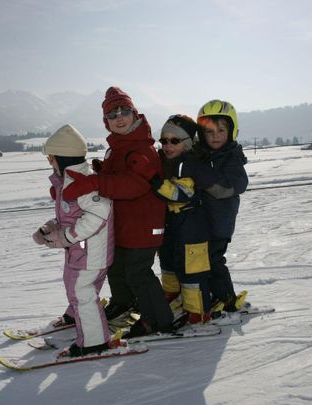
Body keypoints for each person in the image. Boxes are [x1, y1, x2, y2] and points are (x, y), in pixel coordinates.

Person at [62, 86, 173, 338]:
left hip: (144, 226)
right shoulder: (119, 147)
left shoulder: (142, 149)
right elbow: (118, 176)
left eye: (124, 111)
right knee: (116, 267)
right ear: (106, 122)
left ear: (135, 115)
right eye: (113, 115)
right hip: (124, 226)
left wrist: (97, 182)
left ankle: (157, 319)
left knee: (138, 272)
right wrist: (102, 171)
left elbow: (135, 184)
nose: (119, 117)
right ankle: (124, 303)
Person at [32, 123, 114, 356]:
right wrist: (51, 228)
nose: (50, 163)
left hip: (90, 254)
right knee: (77, 289)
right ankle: (76, 317)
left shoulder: (82, 182)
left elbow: (99, 213)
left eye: (51, 159)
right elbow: (72, 215)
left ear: (63, 158)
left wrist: (66, 236)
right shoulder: (68, 181)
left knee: (82, 292)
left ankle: (94, 342)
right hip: (82, 252)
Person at [182, 99, 249, 311]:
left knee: (214, 260)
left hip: (220, 223)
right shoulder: (201, 155)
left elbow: (226, 188)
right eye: (209, 132)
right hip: (201, 222)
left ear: (232, 130)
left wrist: (197, 172)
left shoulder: (232, 159)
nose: (216, 135)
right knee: (198, 262)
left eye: (221, 130)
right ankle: (208, 296)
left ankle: (227, 298)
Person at [151, 114, 213, 324]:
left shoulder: (191, 164)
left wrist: (157, 183)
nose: (168, 145)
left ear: (187, 143)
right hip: (171, 224)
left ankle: (198, 311)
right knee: (167, 260)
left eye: (174, 140)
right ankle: (171, 293)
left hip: (192, 227)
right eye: (164, 140)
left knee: (192, 272)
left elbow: (181, 193)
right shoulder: (163, 162)